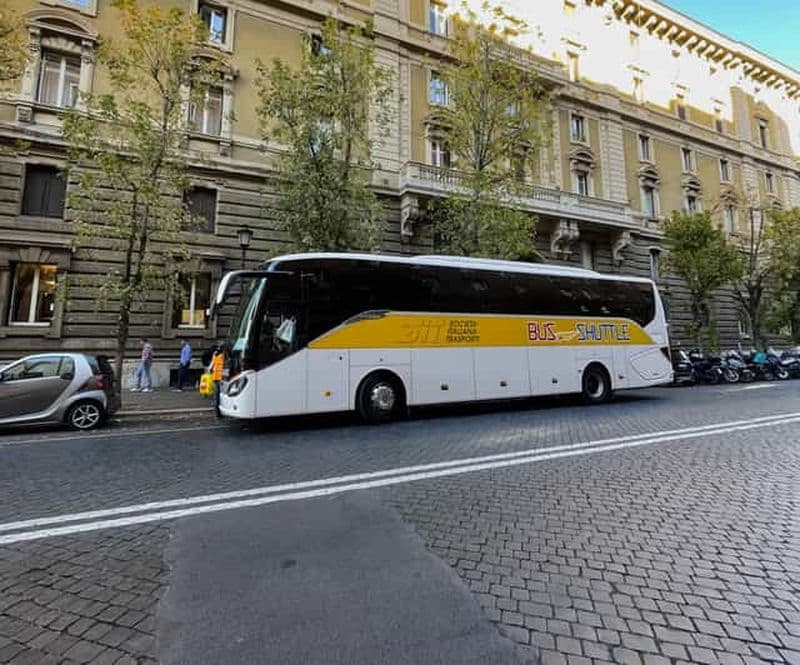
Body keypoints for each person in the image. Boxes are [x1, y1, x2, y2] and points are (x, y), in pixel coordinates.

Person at [209, 343, 224, 417]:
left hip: (217, 377)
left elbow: (211, 366)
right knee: (219, 395)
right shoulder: (221, 356)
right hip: (219, 378)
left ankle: (217, 411)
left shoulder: (216, 355)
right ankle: (218, 411)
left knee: (217, 395)